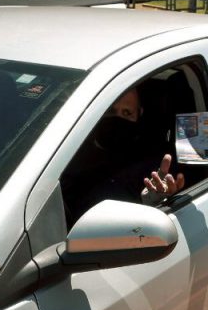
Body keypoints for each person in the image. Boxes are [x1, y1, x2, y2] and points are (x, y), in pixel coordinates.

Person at [62, 87, 184, 224]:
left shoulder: (149, 162)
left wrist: (154, 201)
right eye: (111, 112)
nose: (117, 119)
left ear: (139, 114)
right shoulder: (67, 152)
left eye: (127, 113)